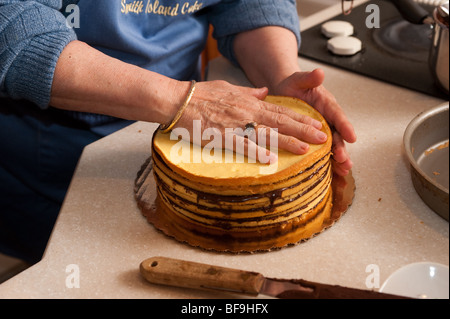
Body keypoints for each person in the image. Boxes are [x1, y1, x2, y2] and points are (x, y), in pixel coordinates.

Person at [0, 0, 357, 265]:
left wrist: (280, 77)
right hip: (59, 159)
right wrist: (180, 101)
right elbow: (13, 26)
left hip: (197, 119)